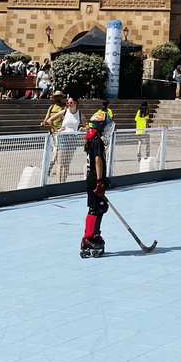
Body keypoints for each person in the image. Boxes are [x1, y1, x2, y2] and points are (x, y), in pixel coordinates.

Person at [80, 105, 113, 258]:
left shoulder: (92, 140)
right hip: (94, 179)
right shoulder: (97, 141)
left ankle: (95, 234)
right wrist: (100, 181)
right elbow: (98, 161)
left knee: (101, 207)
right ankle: (88, 238)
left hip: (93, 179)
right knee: (94, 209)